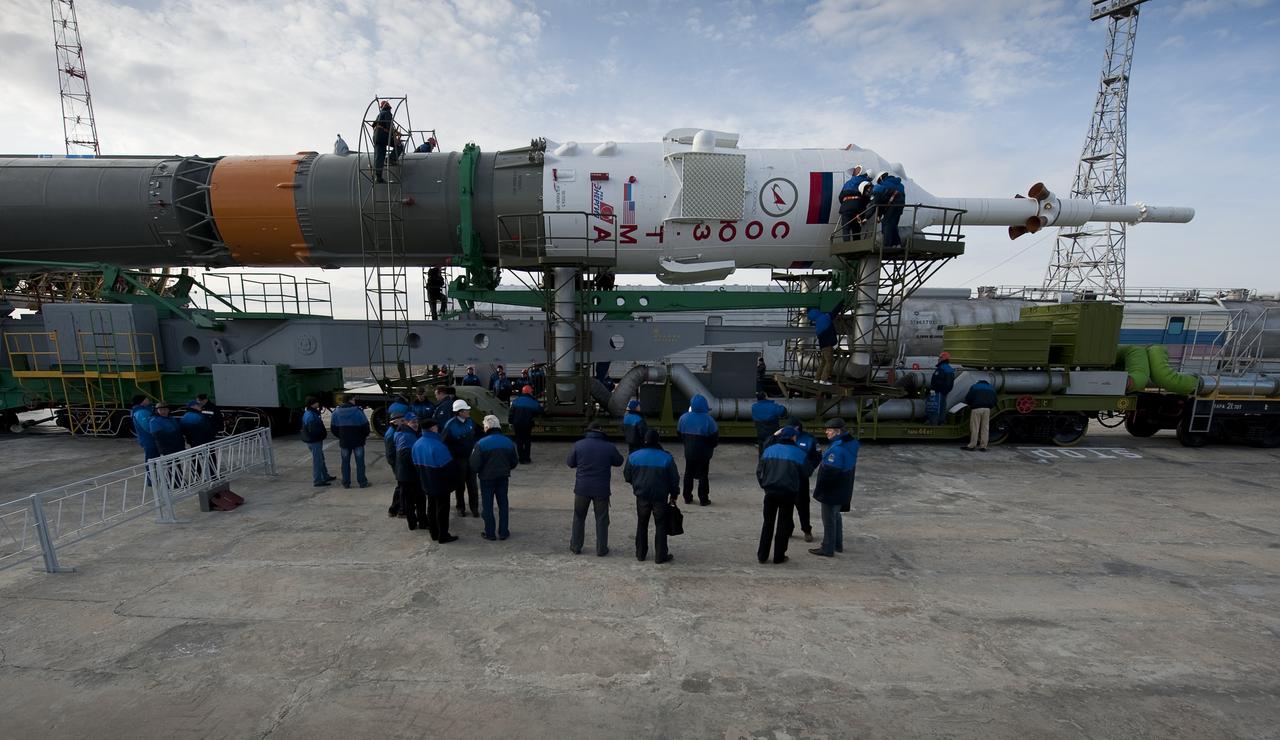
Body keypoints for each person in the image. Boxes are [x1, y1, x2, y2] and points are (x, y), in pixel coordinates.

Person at [566, 421, 624, 556]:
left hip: (582, 488)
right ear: (601, 432)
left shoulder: (578, 445)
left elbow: (570, 463)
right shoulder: (609, 446)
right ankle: (601, 549)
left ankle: (575, 546)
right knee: (602, 519)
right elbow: (619, 461)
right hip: (601, 490)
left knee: (579, 517)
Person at [624, 429, 680, 564]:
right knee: (661, 525)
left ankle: (640, 554)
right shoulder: (666, 458)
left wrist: (637, 484)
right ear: (658, 441)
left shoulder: (633, 456)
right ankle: (660, 556)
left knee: (642, 523)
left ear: (645, 440)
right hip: (660, 497)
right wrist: (674, 494)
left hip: (642, 496)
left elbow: (627, 476)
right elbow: (674, 479)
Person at [756, 426, 806, 564]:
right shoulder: (799, 453)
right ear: (793, 437)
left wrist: (765, 485)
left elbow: (760, 470)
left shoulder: (769, 450)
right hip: (788, 493)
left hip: (770, 492)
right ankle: (779, 556)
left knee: (768, 523)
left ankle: (762, 555)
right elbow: (805, 473)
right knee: (783, 524)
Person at [810, 418, 859, 557]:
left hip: (833, 489)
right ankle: (837, 544)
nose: (826, 432)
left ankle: (827, 548)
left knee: (828, 519)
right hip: (844, 486)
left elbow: (830, 472)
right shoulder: (850, 443)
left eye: (829, 430)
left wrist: (820, 491)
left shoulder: (837, 449)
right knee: (836, 516)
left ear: (838, 431)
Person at [470, 415, 519, 540]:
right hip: (503, 477)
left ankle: (490, 533)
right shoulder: (508, 442)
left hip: (486, 479)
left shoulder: (481, 444)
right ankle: (503, 532)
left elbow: (474, 464)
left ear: (487, 427)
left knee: (487, 506)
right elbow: (514, 462)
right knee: (503, 504)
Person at [412, 417, 458, 542]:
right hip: (440, 483)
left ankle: (433, 533)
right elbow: (448, 467)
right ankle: (443, 535)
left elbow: (415, 464)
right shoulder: (438, 446)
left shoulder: (417, 444)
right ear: (432, 428)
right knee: (442, 509)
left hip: (426, 481)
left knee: (431, 507)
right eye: (436, 427)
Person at [676, 394, 719, 506]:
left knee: (688, 473)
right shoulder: (709, 420)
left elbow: (679, 434)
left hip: (689, 452)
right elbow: (714, 440)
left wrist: (687, 444)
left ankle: (687, 497)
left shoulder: (683, 418)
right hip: (704, 453)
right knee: (703, 475)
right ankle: (703, 499)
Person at [785, 417, 821, 543]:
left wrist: (808, 470)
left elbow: (817, 456)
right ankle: (788, 529)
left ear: (797, 428)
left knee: (803, 505)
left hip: (801, 479)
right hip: (786, 478)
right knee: (786, 505)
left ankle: (806, 530)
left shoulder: (809, 439)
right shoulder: (783, 438)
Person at [442, 399, 480, 516]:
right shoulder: (450, 425)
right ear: (459, 412)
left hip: (470, 458)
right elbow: (444, 443)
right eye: (466, 410)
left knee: (473, 485)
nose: (469, 411)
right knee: (460, 485)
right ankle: (460, 507)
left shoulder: (470, 421)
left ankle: (474, 508)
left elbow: (476, 436)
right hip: (458, 460)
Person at [330, 397, 371, 488]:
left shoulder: (336, 412)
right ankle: (362, 482)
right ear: (350, 400)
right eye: (353, 399)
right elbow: (365, 426)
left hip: (344, 441)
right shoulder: (358, 411)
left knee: (345, 462)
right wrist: (363, 436)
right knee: (360, 463)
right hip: (358, 441)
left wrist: (341, 436)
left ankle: (346, 483)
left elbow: (333, 428)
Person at [395, 413, 425, 531]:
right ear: (406, 422)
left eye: (416, 422)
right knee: (413, 499)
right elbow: (405, 456)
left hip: (408, 473)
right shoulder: (405, 436)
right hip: (408, 474)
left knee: (417, 498)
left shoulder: (410, 433)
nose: (416, 424)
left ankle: (418, 522)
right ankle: (416, 522)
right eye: (413, 422)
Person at [300, 396, 335, 487]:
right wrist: (321, 435)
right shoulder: (311, 415)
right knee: (318, 460)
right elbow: (314, 430)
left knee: (320, 459)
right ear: (313, 404)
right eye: (316, 402)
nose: (318, 403)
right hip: (314, 441)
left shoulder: (308, 413)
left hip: (312, 440)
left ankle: (325, 476)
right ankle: (318, 480)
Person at [806, 303, 843, 385]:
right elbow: (834, 312)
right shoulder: (824, 317)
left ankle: (817, 379)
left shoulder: (817, 321)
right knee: (829, 362)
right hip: (827, 345)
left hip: (823, 345)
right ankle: (824, 380)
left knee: (823, 362)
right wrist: (841, 303)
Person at [508, 385, 543, 464]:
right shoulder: (532, 402)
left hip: (517, 424)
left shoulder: (516, 401)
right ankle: (527, 459)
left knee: (519, 441)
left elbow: (511, 413)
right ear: (530, 392)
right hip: (527, 424)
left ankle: (521, 459)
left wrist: (510, 422)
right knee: (527, 441)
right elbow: (540, 410)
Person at [871, 171, 906, 247]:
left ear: (881, 178)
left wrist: (878, 214)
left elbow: (880, 199)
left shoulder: (884, 184)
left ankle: (887, 245)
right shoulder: (900, 184)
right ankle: (897, 243)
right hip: (900, 206)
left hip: (893, 205)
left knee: (886, 223)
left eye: (879, 181)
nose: (879, 183)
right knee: (893, 225)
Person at [962, 379, 998, 452]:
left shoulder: (975, 387)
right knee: (985, 428)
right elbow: (995, 400)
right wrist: (990, 406)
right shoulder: (991, 388)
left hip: (976, 408)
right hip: (987, 409)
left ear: (978, 382)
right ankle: (983, 446)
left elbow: (968, 398)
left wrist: (971, 405)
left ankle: (972, 445)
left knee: (975, 427)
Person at [838, 166, 872, 241]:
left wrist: (845, 204)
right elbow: (867, 196)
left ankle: (846, 244)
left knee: (846, 228)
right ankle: (856, 244)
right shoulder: (865, 182)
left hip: (845, 207)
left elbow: (840, 197)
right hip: (858, 207)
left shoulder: (847, 183)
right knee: (856, 228)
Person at [750, 392, 787, 457]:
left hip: (760, 433)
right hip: (772, 433)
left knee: (761, 450)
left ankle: (762, 461)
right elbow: (783, 411)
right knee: (772, 450)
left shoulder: (754, 407)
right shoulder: (773, 406)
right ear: (765, 397)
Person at [384, 411, 405, 517]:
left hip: (397, 463)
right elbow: (390, 454)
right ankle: (398, 509)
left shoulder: (393, 431)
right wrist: (396, 465)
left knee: (401, 486)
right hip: (397, 464)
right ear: (395, 422)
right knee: (402, 486)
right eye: (402, 420)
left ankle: (395, 509)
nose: (404, 422)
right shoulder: (391, 434)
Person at [929, 352, 956, 426]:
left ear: (943, 358)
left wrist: (934, 389)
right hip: (943, 391)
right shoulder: (948, 368)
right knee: (942, 406)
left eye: (940, 357)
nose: (938, 359)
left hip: (939, 391)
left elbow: (937, 380)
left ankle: (935, 422)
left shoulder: (942, 368)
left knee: (936, 406)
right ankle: (941, 421)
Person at [371, 100, 394, 183]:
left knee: (379, 156)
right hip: (383, 135)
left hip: (376, 137)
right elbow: (389, 126)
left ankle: (378, 177)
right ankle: (390, 159)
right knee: (399, 145)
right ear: (388, 107)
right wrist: (394, 137)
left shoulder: (379, 115)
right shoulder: (387, 113)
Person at [130, 395, 158, 463]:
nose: (148, 400)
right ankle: (149, 470)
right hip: (148, 439)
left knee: (155, 458)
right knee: (151, 459)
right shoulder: (140, 412)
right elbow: (147, 427)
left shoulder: (145, 410)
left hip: (151, 439)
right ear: (142, 401)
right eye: (146, 399)